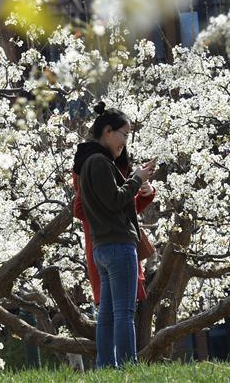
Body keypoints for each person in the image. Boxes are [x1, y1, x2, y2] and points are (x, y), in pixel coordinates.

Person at [75, 102, 156, 368]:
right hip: (118, 246)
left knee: (108, 315)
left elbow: (113, 199)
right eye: (124, 134)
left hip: (102, 248)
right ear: (108, 131)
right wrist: (136, 179)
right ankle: (128, 365)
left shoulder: (88, 161)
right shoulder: (99, 162)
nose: (125, 142)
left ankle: (106, 367)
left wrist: (139, 183)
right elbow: (115, 200)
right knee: (124, 312)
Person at [72, 145, 156, 310]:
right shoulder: (92, 164)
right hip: (108, 245)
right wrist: (134, 184)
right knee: (120, 315)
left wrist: (145, 192)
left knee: (123, 314)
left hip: (122, 244)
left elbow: (121, 210)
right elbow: (82, 209)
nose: (123, 140)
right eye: (122, 134)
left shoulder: (117, 165)